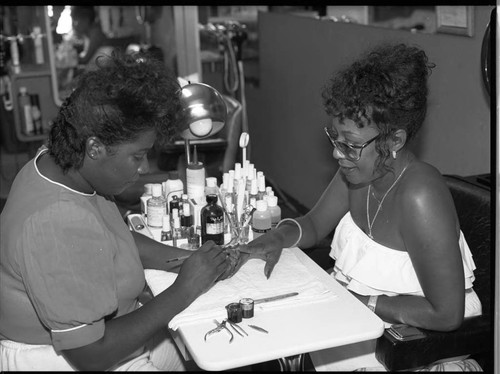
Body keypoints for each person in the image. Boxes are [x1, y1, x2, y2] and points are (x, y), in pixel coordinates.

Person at [245, 43, 482, 371]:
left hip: (413, 345)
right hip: (361, 323)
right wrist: (278, 236)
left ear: (394, 141)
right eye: (336, 139)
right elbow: (314, 225)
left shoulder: (420, 196)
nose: (337, 154)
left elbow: (446, 314)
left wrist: (359, 301)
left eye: (351, 145)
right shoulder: (359, 171)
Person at [0, 51, 238, 371]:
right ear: (95, 147)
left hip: (112, 335)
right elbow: (90, 354)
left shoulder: (59, 163)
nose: (142, 169)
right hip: (70, 358)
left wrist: (191, 261)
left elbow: (114, 237)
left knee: (201, 353)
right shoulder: (55, 221)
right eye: (137, 156)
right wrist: (186, 288)